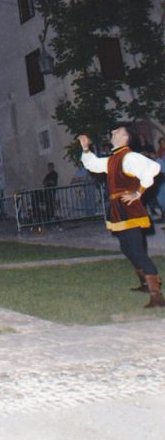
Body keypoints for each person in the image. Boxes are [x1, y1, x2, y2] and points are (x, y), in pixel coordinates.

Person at [79, 126, 163, 308]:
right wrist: (86, 149)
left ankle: (157, 296)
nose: (112, 131)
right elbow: (93, 164)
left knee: (137, 251)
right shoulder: (113, 159)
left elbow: (153, 167)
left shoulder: (130, 157)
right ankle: (145, 284)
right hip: (118, 208)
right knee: (127, 248)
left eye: (116, 131)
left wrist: (139, 192)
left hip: (129, 208)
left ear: (125, 137)